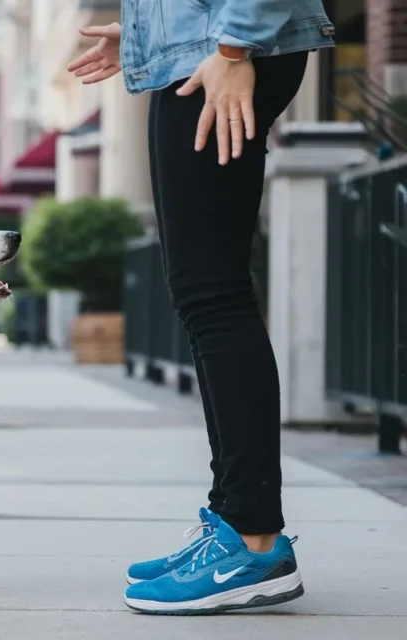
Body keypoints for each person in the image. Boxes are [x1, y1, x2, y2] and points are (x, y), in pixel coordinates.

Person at [66, 1, 335, 615]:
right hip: (202, 51)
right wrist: (146, 32)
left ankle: (251, 537)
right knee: (203, 293)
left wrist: (234, 47)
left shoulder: (231, 49)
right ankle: (234, 520)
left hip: (224, 53)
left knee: (214, 294)